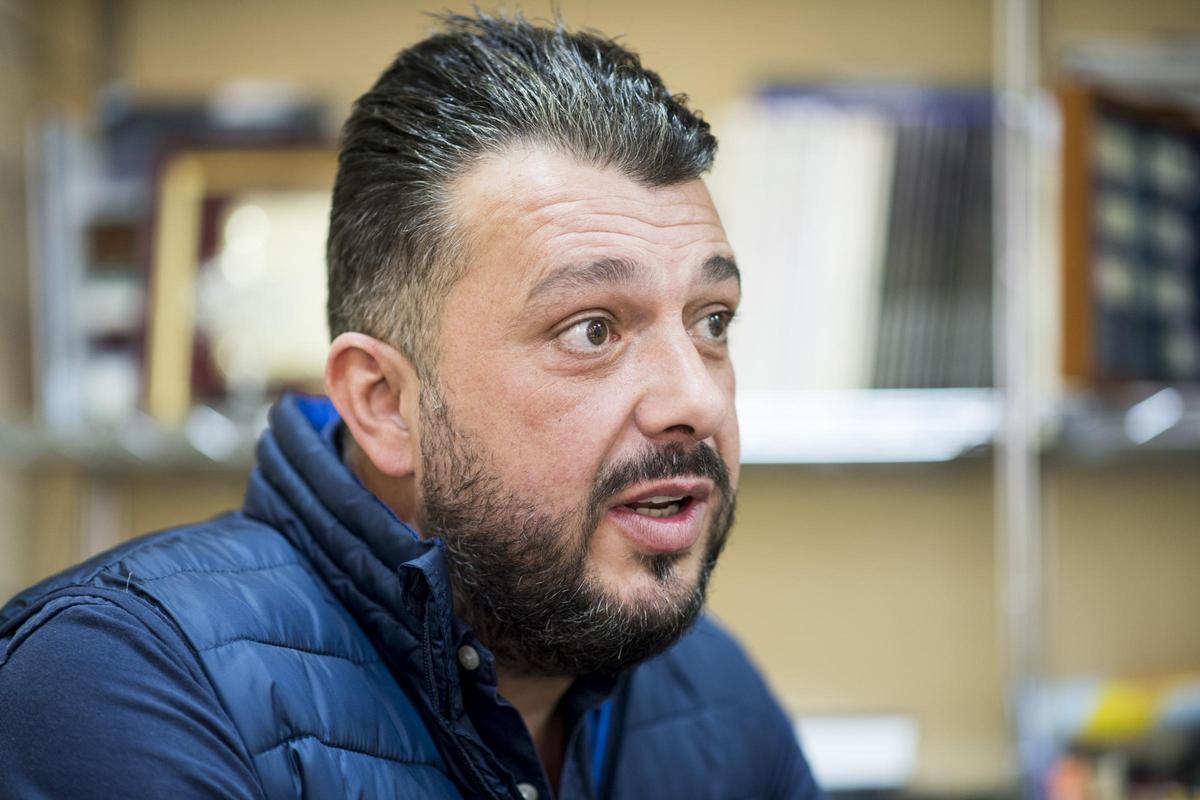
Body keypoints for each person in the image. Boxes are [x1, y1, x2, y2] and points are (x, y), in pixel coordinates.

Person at [0, 12, 822, 799]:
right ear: (385, 403)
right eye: (592, 330)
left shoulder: (714, 690)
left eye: (712, 322)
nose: (694, 398)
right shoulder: (121, 682)